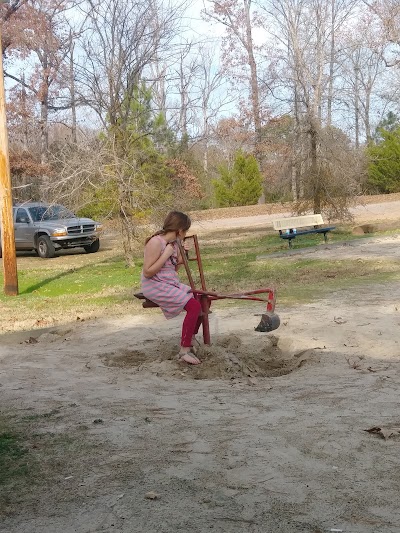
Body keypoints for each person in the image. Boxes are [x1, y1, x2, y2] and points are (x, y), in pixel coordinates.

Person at [141, 211, 202, 365]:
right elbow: (148, 272)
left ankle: (190, 337)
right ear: (179, 230)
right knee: (193, 306)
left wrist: (184, 253)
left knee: (201, 298)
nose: (186, 234)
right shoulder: (156, 242)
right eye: (185, 230)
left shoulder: (174, 244)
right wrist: (166, 254)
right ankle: (184, 350)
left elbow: (173, 269)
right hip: (154, 284)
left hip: (168, 282)